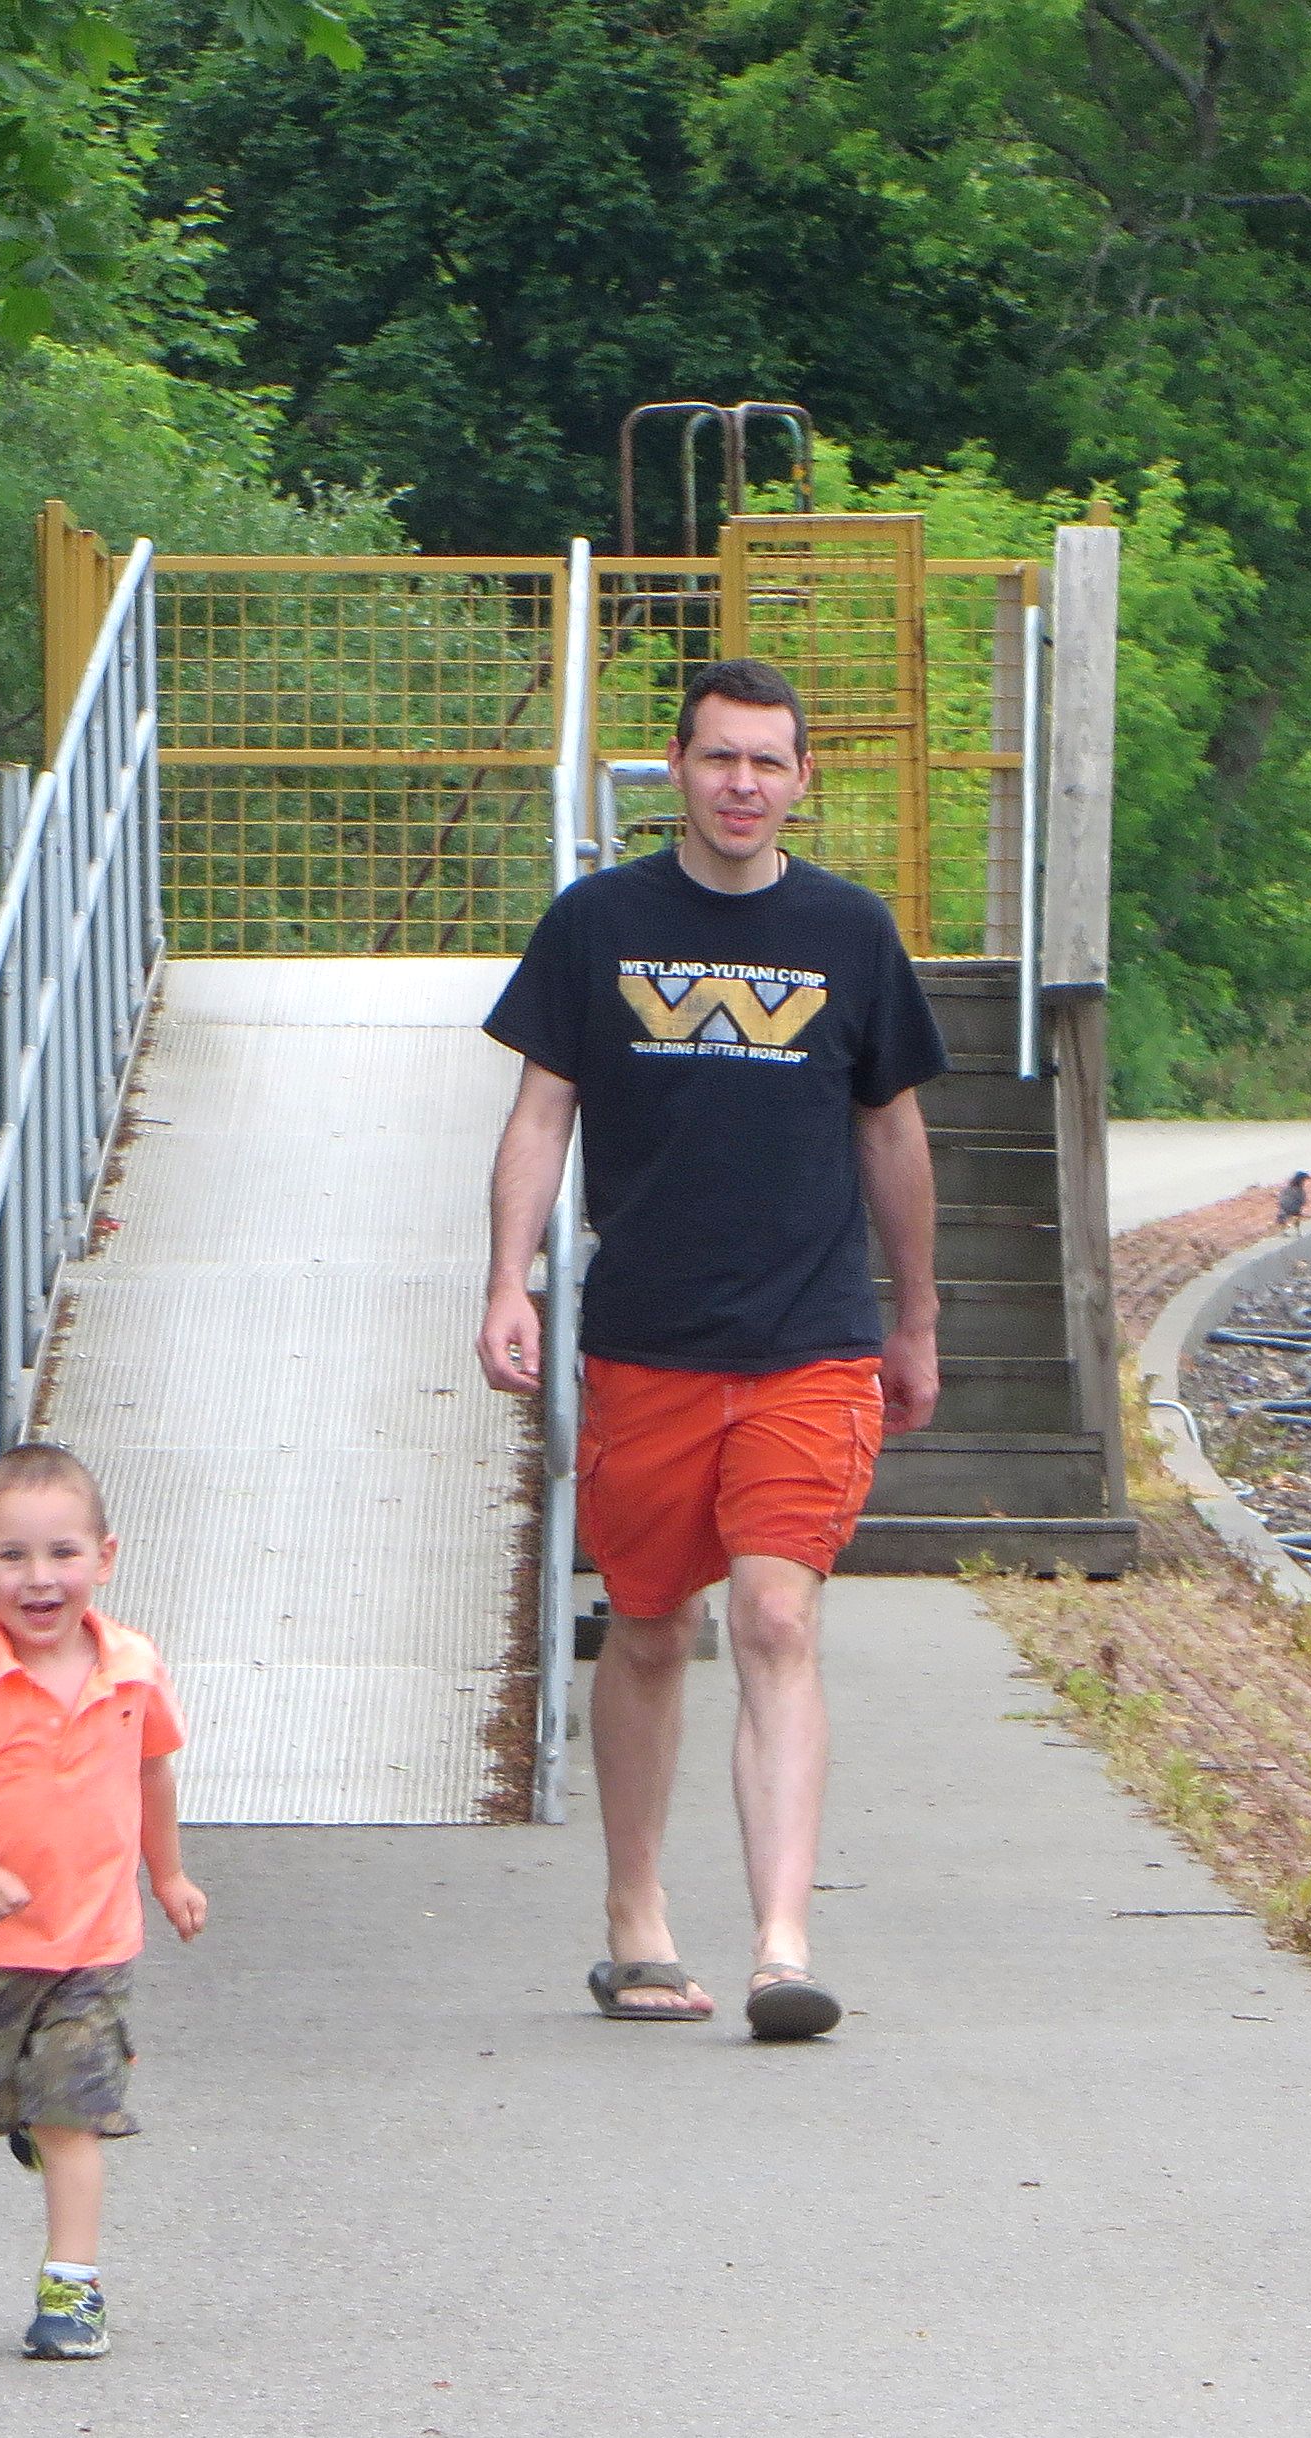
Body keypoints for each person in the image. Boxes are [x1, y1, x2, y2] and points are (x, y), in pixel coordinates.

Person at [474, 655, 946, 2041]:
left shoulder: (850, 932)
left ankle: (782, 1950)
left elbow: (892, 1132)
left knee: (776, 1618)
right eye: (719, 757)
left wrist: (916, 1317)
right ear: (675, 769)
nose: (743, 784)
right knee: (649, 1628)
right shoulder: (597, 923)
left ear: (803, 781)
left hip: (810, 1338)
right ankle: (637, 1919)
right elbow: (540, 1114)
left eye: (767, 762)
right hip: (647, 1338)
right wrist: (508, 1281)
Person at [0, 1440, 208, 2359]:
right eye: (13, 1556)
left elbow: (152, 1775)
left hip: (93, 1947)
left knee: (73, 2109)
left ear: (103, 1558)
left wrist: (168, 1876)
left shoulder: (133, 1667)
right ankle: (29, 2120)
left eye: (63, 1553)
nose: (40, 1578)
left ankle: (71, 2292)